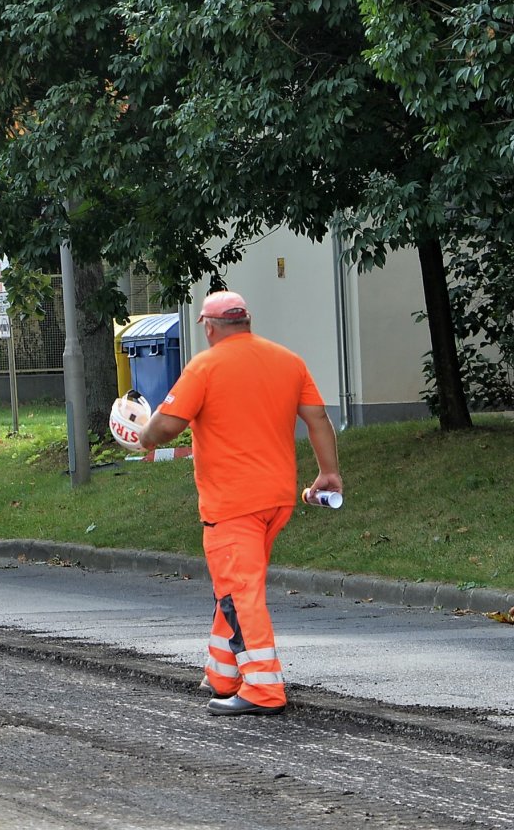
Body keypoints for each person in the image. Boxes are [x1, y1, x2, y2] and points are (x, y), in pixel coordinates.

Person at [136, 290, 342, 718]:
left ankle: (263, 689)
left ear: (209, 327)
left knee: (239, 593)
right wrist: (328, 473)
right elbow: (318, 419)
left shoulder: (206, 366)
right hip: (277, 499)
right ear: (245, 321)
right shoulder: (287, 360)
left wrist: (143, 435)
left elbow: (167, 427)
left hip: (232, 503)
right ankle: (224, 676)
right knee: (233, 587)